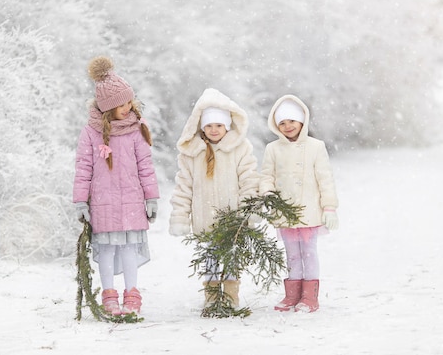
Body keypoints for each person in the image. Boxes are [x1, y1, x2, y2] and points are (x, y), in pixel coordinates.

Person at [73, 56, 159, 316]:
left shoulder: (136, 129)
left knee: (129, 249)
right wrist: (80, 201)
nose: (126, 107)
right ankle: (109, 295)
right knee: (108, 250)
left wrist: (151, 198)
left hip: (132, 201)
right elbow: (83, 167)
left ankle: (132, 294)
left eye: (128, 101)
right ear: (107, 107)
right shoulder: (91, 132)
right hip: (103, 203)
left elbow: (146, 165)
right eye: (120, 104)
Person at [169, 88, 258, 307]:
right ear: (202, 127)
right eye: (209, 125)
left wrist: (250, 211)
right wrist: (180, 217)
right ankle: (211, 298)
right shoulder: (193, 153)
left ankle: (230, 297)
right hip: (205, 219)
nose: (214, 130)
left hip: (232, 219)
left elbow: (249, 180)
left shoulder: (240, 150)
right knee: (210, 260)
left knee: (231, 259)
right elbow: (184, 187)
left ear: (227, 126)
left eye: (219, 125)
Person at [259, 94, 339, 313]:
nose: (287, 126)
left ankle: (310, 297)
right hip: (285, 213)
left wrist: (329, 207)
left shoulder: (315, 146)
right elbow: (267, 175)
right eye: (282, 123)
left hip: (310, 212)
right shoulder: (272, 149)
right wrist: (267, 192)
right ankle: (292, 295)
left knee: (309, 253)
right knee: (292, 254)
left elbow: (325, 178)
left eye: (291, 121)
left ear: (302, 121)